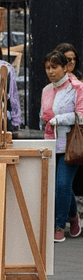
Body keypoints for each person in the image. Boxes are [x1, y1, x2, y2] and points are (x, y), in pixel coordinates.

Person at [41, 48, 83, 242]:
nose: (51, 71)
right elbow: (43, 114)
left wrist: (59, 119)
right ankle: (74, 217)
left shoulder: (76, 88)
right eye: (48, 67)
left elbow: (81, 116)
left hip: (69, 144)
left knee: (62, 185)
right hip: (50, 143)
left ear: (65, 68)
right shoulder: (46, 90)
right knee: (60, 186)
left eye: (55, 67)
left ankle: (59, 225)